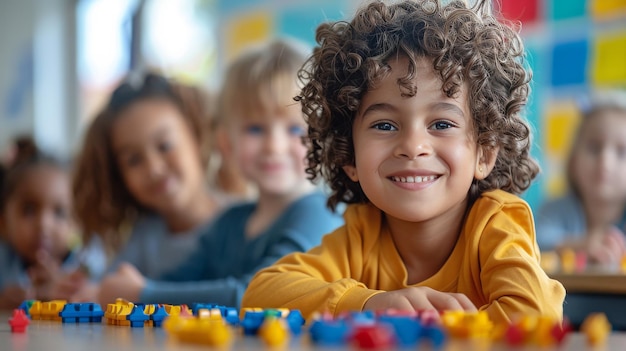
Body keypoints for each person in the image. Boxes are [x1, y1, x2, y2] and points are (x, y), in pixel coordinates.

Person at [241, 0, 565, 324]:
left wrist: (437, 328)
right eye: (384, 126)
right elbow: (262, 293)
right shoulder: (362, 233)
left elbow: (536, 316)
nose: (412, 147)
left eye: (441, 124)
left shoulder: (495, 224)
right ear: (348, 155)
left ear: (484, 153)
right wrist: (369, 304)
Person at [93, 39, 345, 308]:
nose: (274, 146)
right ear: (226, 143)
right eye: (256, 129)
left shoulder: (317, 215)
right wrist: (122, 288)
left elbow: (259, 294)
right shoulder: (228, 223)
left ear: (322, 138)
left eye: (295, 130)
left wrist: (141, 293)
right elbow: (174, 283)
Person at [65, 72, 230, 301]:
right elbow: (105, 290)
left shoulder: (248, 220)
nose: (153, 168)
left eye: (165, 145)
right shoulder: (144, 236)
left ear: (197, 134)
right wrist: (72, 289)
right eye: (133, 160)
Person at [0, 152, 102, 309]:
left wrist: (66, 290)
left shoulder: (87, 263)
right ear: (4, 222)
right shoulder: (4, 259)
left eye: (60, 213)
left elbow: (101, 302)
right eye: (28, 210)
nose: (43, 225)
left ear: (76, 223)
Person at [535, 90, 626, 266]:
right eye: (594, 147)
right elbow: (532, 242)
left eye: (621, 152)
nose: (605, 162)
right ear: (574, 161)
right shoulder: (555, 210)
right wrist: (579, 245)